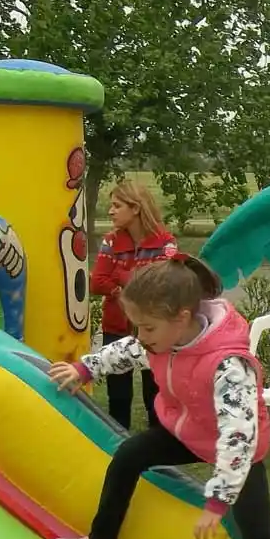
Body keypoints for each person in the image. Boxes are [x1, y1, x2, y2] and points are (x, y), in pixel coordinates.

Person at [45, 253, 270, 539]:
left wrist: (217, 500)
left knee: (261, 535)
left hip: (234, 449)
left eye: (148, 327)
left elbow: (238, 437)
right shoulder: (162, 338)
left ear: (181, 317)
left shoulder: (229, 365)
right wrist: (87, 368)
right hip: (185, 430)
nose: (141, 335)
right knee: (129, 455)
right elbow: (129, 349)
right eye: (138, 326)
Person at [91, 179, 178, 429]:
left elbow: (162, 287)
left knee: (155, 397)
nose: (111, 211)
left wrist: (118, 281)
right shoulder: (111, 241)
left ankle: (157, 454)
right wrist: (134, 283)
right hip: (116, 328)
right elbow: (97, 282)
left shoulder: (165, 243)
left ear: (136, 208)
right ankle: (117, 452)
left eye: (117, 205)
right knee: (117, 398)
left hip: (154, 331)